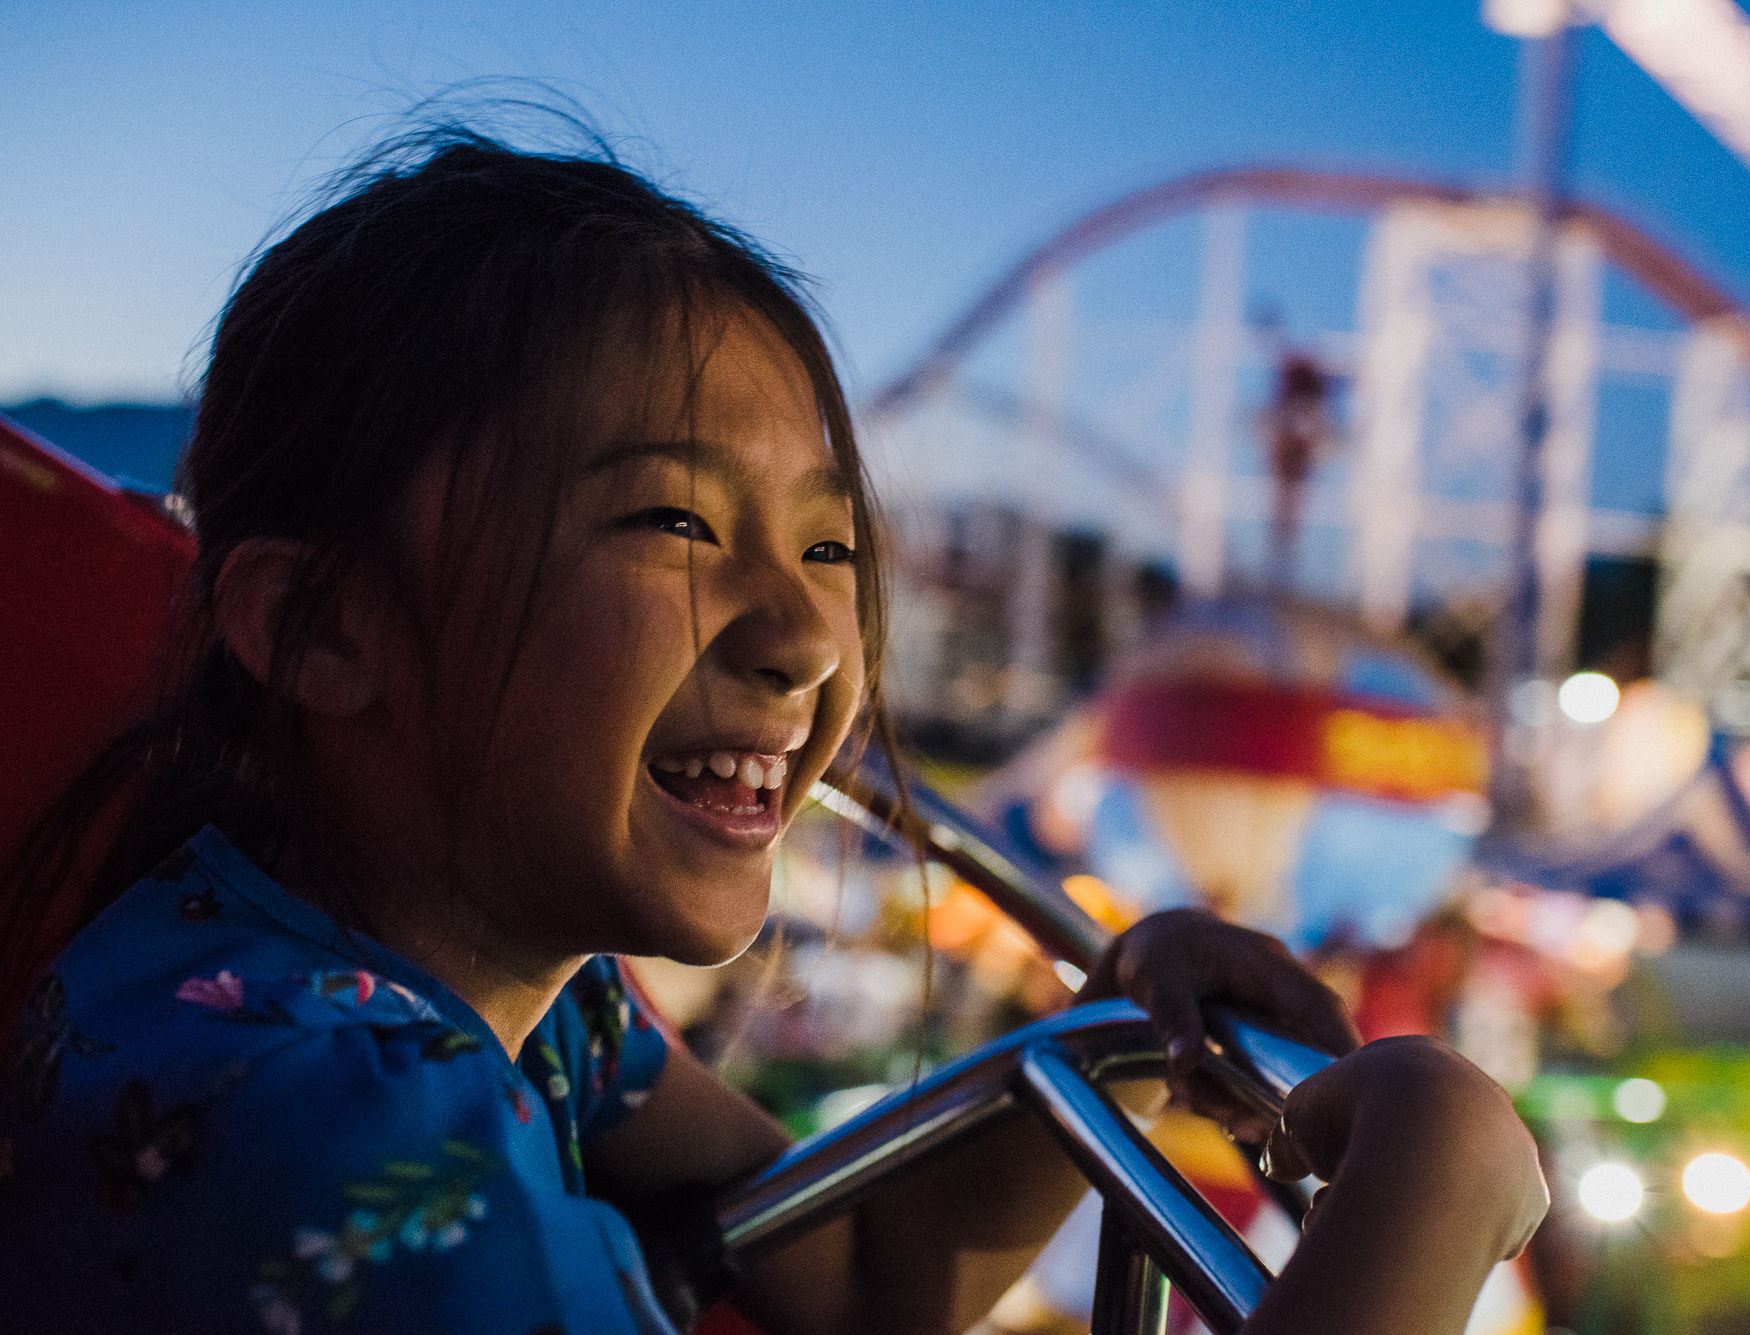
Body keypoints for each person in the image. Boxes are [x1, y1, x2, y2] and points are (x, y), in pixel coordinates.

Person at [0, 132, 1546, 1334]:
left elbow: (870, 1274)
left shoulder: (475, 990)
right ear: (326, 630)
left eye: (827, 549)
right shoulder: (329, 1125)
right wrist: (1437, 1185)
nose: (810, 638)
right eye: (675, 521)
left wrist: (1122, 1046)